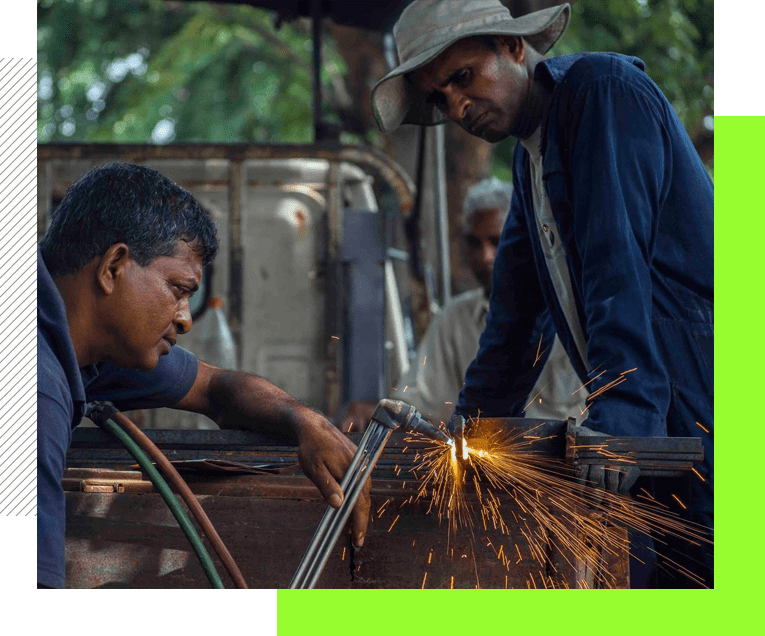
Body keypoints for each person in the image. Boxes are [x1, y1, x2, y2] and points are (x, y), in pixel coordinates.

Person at [371, 0, 713, 588]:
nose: (457, 107)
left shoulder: (602, 95)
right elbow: (513, 324)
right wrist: (462, 439)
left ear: (512, 46)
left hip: (708, 395)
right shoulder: (533, 162)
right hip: (665, 415)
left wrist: (623, 422)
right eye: (440, 98)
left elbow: (617, 269)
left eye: (462, 78)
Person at [37, 162, 370, 589]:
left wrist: (305, 422)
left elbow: (216, 388)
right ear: (113, 267)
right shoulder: (38, 395)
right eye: (178, 290)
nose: (185, 319)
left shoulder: (85, 346)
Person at [340, 176, 584, 432]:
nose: (486, 257)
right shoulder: (454, 319)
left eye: (496, 241)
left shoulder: (574, 314)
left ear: (522, 241)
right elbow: (418, 406)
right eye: (474, 243)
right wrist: (380, 411)